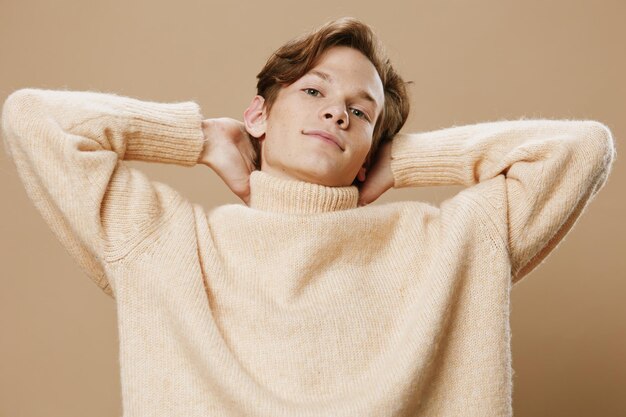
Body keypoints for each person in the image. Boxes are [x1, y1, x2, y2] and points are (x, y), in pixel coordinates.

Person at [1, 16, 615, 417]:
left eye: (361, 111)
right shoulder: (168, 242)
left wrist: (403, 161)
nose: (337, 114)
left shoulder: (445, 242)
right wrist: (196, 138)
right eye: (314, 92)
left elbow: (582, 148)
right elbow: (33, 118)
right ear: (260, 115)